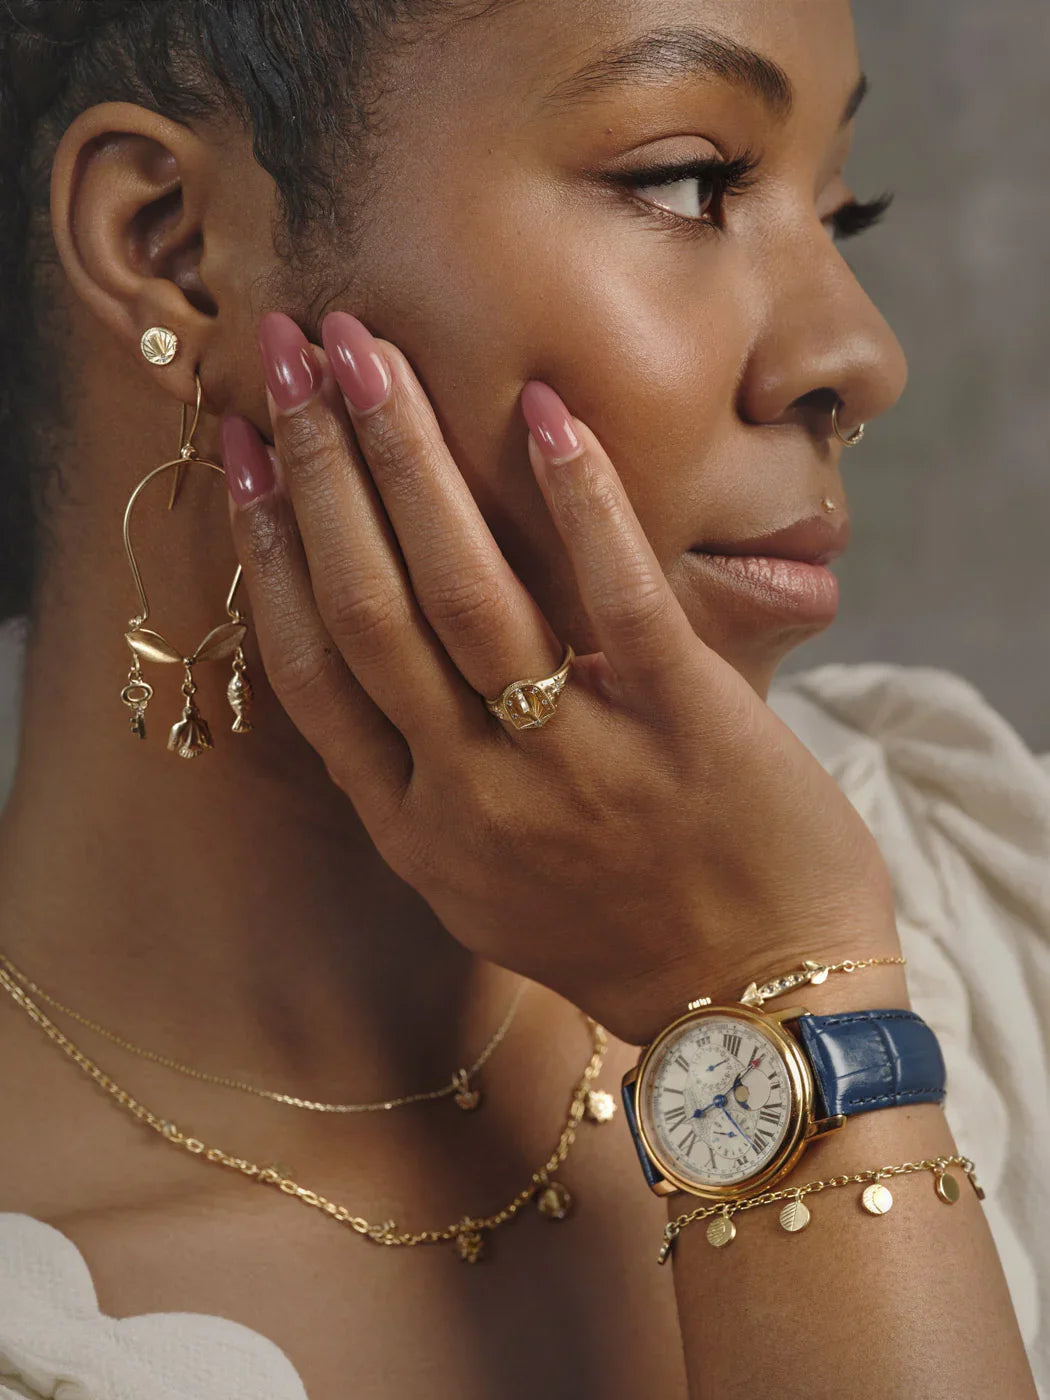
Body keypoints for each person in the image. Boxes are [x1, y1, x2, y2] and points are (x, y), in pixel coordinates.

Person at [0, 0, 1046, 1396]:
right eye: (686, 185)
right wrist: (772, 1009)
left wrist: (778, 992)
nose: (857, 361)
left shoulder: (978, 919)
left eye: (839, 215)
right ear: (173, 246)